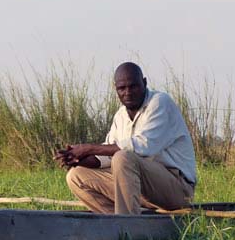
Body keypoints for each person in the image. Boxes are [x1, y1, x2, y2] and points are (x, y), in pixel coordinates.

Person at [55, 62, 196, 215]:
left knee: (123, 157)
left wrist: (88, 148)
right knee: (76, 176)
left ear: (144, 83)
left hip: (177, 189)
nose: (128, 92)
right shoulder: (121, 115)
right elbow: (108, 156)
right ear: (116, 89)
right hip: (139, 188)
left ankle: (128, 227)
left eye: (133, 86)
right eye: (122, 88)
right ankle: (115, 225)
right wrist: (78, 159)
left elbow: (143, 146)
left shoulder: (160, 102)